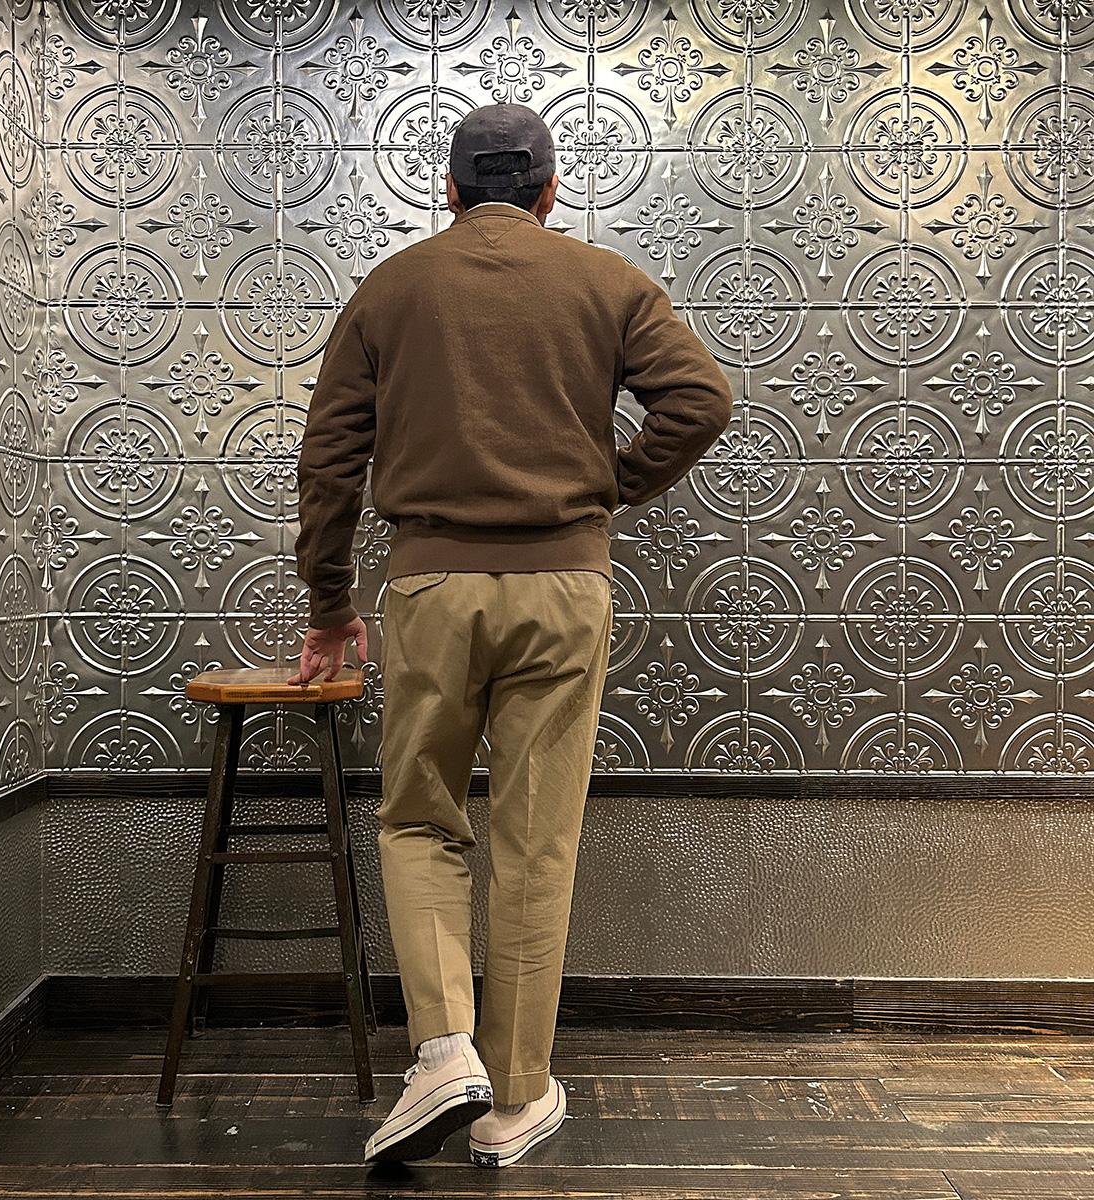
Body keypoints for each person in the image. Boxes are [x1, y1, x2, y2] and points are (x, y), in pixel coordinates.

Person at [292, 101, 733, 1167]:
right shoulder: (607, 281)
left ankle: (444, 1047)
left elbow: (329, 457)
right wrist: (608, 488)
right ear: (550, 189)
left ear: (447, 190)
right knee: (537, 839)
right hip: (566, 589)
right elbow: (702, 400)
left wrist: (330, 605)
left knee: (420, 818)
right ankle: (517, 1097)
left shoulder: (392, 287)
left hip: (431, 586)